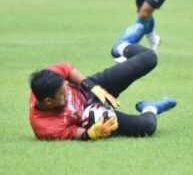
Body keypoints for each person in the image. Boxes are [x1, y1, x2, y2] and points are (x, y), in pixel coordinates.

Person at [29, 44, 177, 140]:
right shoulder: (45, 128)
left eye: (65, 89)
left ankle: (122, 48)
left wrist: (92, 86)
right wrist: (92, 133)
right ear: (48, 101)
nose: (66, 94)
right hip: (95, 116)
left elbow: (67, 69)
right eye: (62, 94)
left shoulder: (48, 76)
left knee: (150, 58)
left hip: (92, 88)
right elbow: (75, 133)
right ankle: (151, 108)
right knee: (147, 127)